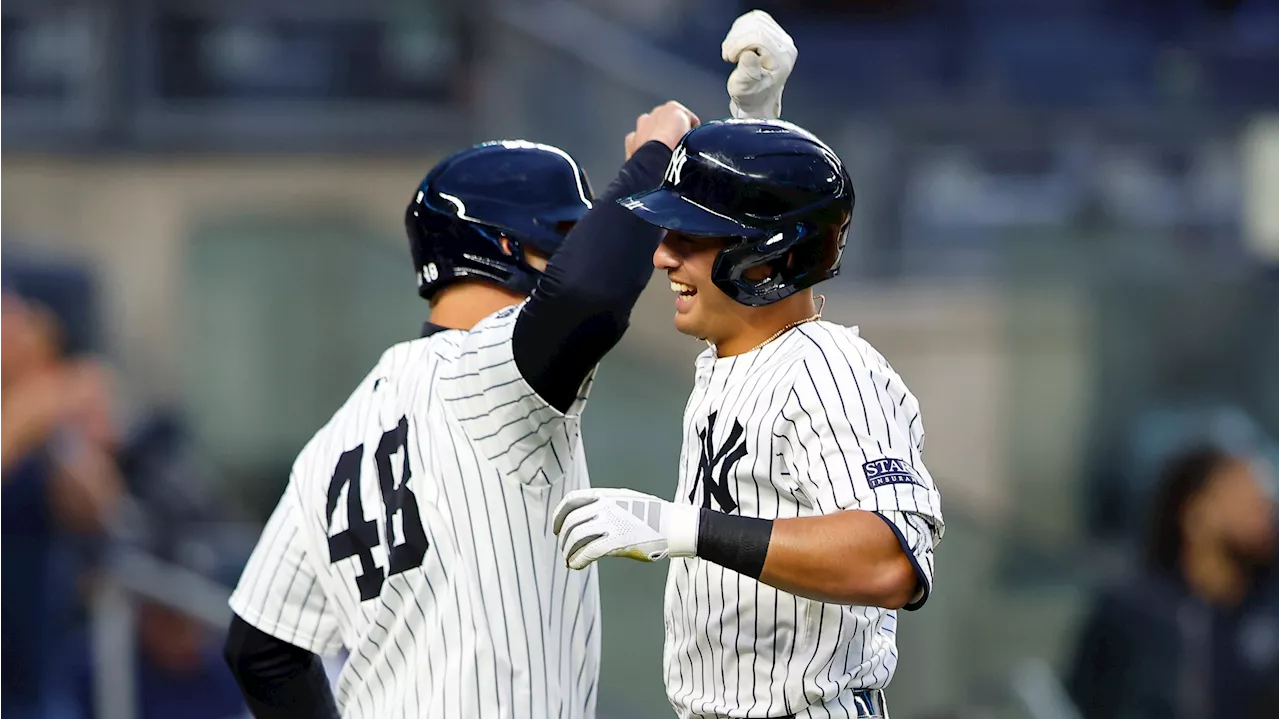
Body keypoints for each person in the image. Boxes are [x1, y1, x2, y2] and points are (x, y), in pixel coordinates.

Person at [221, 103, 699, 719]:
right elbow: (588, 295)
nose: (578, 252)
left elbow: (258, 648)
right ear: (506, 246)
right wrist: (654, 157)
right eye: (565, 238)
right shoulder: (490, 369)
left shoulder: (335, 439)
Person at [550, 101, 944, 719]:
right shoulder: (738, 359)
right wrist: (756, 118)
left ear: (768, 256)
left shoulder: (829, 366)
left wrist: (686, 529)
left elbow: (889, 559)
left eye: (693, 238)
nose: (662, 255)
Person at [1066, 444, 1280, 719]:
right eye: (1244, 498)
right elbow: (1082, 700)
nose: (1262, 512)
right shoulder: (1134, 610)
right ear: (1195, 513)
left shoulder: (1268, 607)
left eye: (1263, 501)